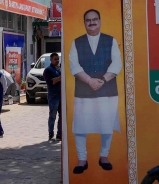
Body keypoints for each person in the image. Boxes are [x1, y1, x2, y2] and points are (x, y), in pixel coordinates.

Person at [68, 9, 122, 173]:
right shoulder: (76, 42)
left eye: (94, 19)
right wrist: (89, 80)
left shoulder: (111, 41)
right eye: (88, 20)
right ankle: (82, 159)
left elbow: (116, 64)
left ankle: (104, 156)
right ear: (84, 23)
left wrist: (103, 80)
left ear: (100, 21)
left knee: (106, 124)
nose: (91, 22)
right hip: (84, 90)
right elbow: (74, 66)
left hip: (107, 90)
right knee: (80, 125)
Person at [43, 53, 63, 141]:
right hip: (53, 96)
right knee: (52, 116)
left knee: (62, 116)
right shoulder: (48, 70)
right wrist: (59, 78)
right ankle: (51, 134)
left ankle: (59, 134)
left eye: (58, 59)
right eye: (55, 59)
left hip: (61, 95)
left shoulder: (60, 69)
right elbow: (50, 82)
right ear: (51, 60)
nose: (57, 61)